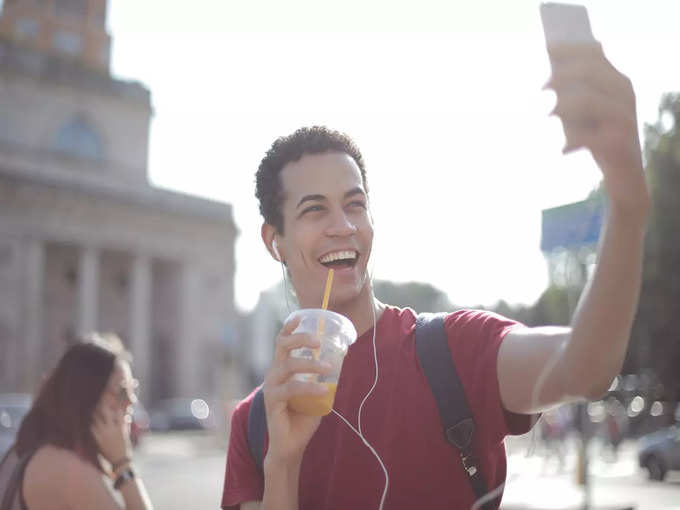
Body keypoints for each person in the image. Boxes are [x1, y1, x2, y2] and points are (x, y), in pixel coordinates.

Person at [221, 40, 650, 510]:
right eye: (314, 210)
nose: (343, 226)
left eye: (355, 204)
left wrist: (628, 204)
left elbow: (586, 367)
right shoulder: (255, 423)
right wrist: (282, 462)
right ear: (273, 240)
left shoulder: (453, 350)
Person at [0, 333, 153, 510]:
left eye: (134, 389)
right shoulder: (68, 469)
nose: (131, 401)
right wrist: (123, 464)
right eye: (121, 391)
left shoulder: (31, 449)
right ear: (87, 398)